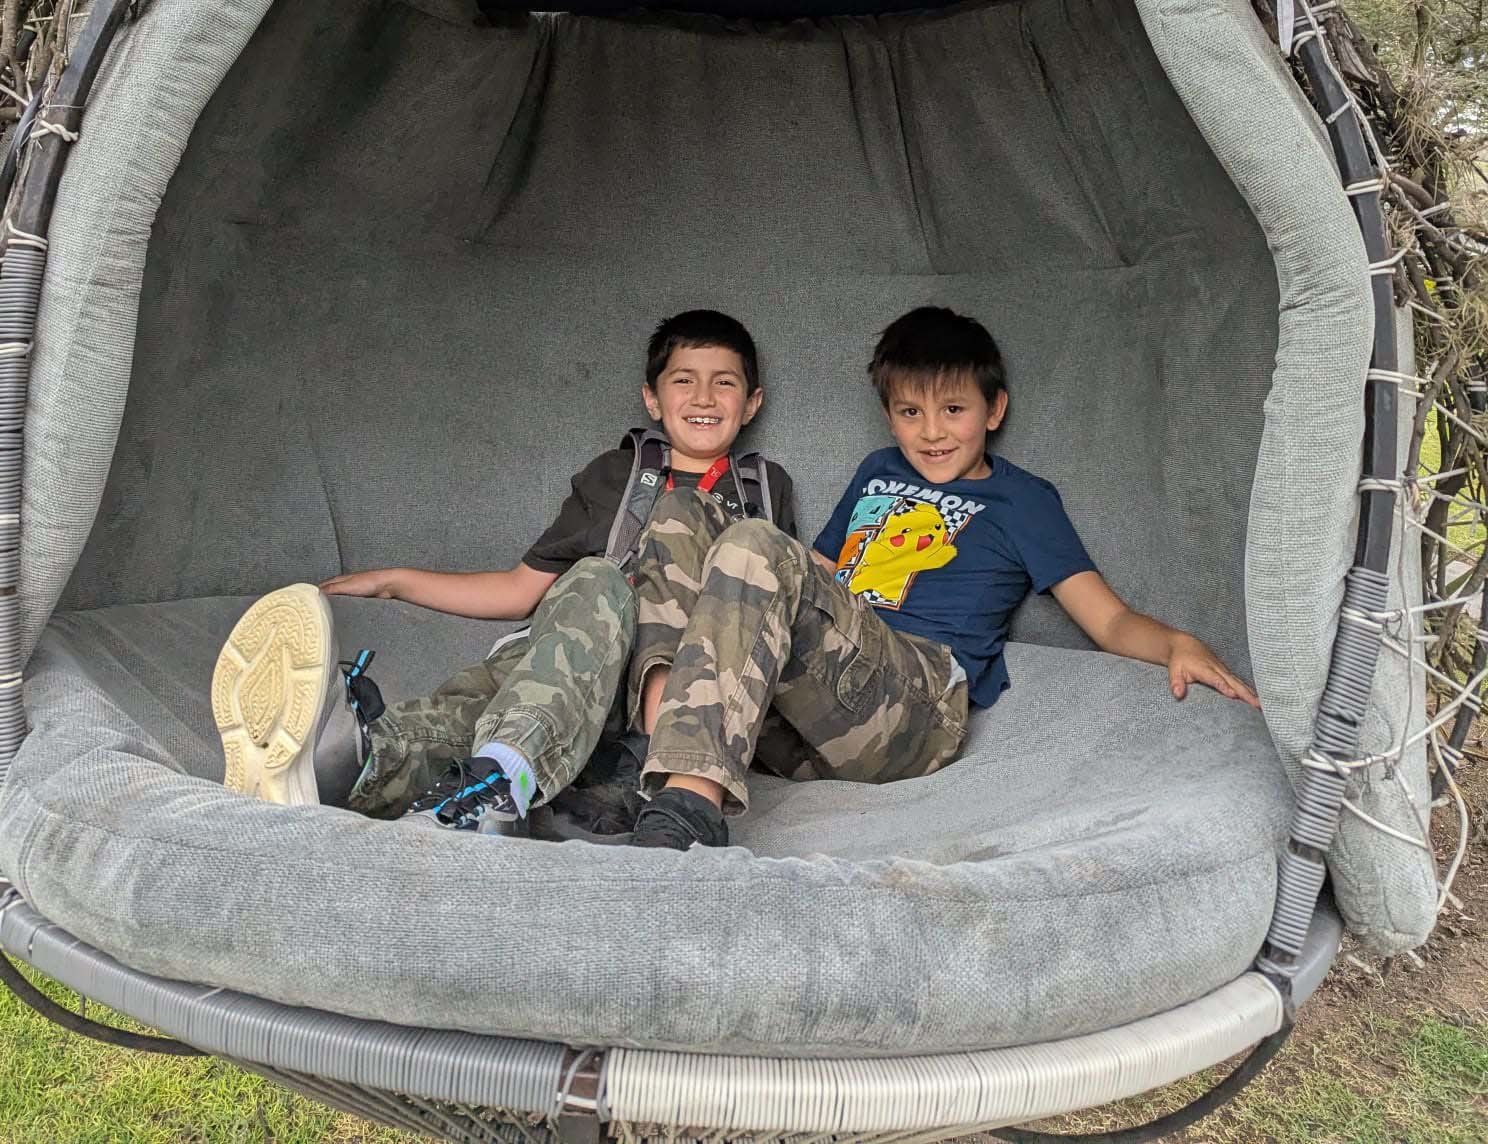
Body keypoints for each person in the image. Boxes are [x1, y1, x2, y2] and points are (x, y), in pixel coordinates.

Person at [623, 304, 1258, 852]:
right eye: (910, 412)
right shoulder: (877, 470)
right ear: (889, 415)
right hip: (807, 719)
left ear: (993, 409)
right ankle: (658, 753)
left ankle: (691, 805)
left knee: (757, 543)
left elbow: (1109, 619)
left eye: (953, 409)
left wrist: (1177, 643)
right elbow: (817, 573)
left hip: (915, 710)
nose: (931, 432)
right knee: (683, 511)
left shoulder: (1023, 501)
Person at [209, 309, 797, 835]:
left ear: (751, 403)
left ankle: (497, 783)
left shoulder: (762, 492)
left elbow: (776, 608)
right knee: (488, 698)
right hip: (575, 658)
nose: (703, 397)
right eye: (683, 380)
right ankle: (350, 759)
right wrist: (394, 581)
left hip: (680, 702)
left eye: (724, 383)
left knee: (592, 588)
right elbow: (520, 590)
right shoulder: (617, 476)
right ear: (651, 398)